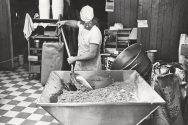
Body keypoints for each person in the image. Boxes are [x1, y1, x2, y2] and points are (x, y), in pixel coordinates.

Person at [57, 5, 102, 71]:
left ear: (92, 19)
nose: (86, 25)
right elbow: (75, 23)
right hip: (80, 66)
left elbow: (92, 54)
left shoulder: (95, 32)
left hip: (92, 69)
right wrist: (64, 22)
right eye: (83, 22)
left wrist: (74, 59)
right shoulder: (82, 24)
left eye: (88, 23)